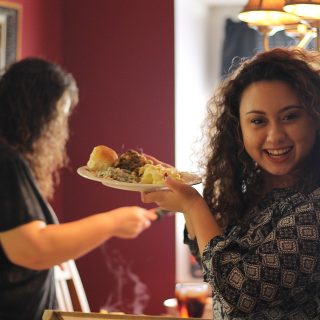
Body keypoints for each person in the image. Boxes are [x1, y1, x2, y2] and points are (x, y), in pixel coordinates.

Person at [142, 47, 320, 319]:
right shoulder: (253, 192)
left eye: (290, 116)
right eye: (258, 121)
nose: (274, 136)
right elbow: (215, 262)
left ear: (315, 119)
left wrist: (192, 204)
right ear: (239, 130)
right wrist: (178, 193)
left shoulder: (314, 205)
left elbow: (240, 292)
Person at [0, 57, 157, 320]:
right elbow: (32, 249)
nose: (62, 128)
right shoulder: (7, 162)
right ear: (38, 113)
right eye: (60, 115)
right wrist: (113, 222)